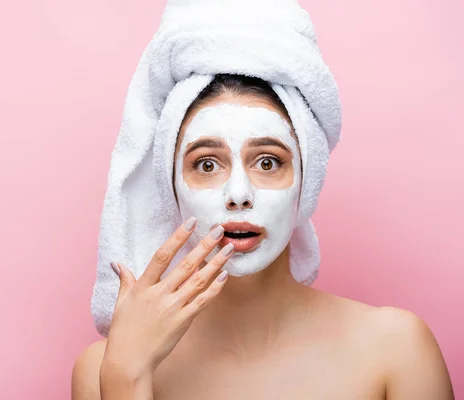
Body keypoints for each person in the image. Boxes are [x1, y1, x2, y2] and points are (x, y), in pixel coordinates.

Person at [71, 74, 454, 399]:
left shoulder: (396, 348)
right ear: (171, 188)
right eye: (206, 164)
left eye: (268, 162)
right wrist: (126, 378)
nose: (239, 194)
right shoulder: (105, 367)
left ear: (307, 181)